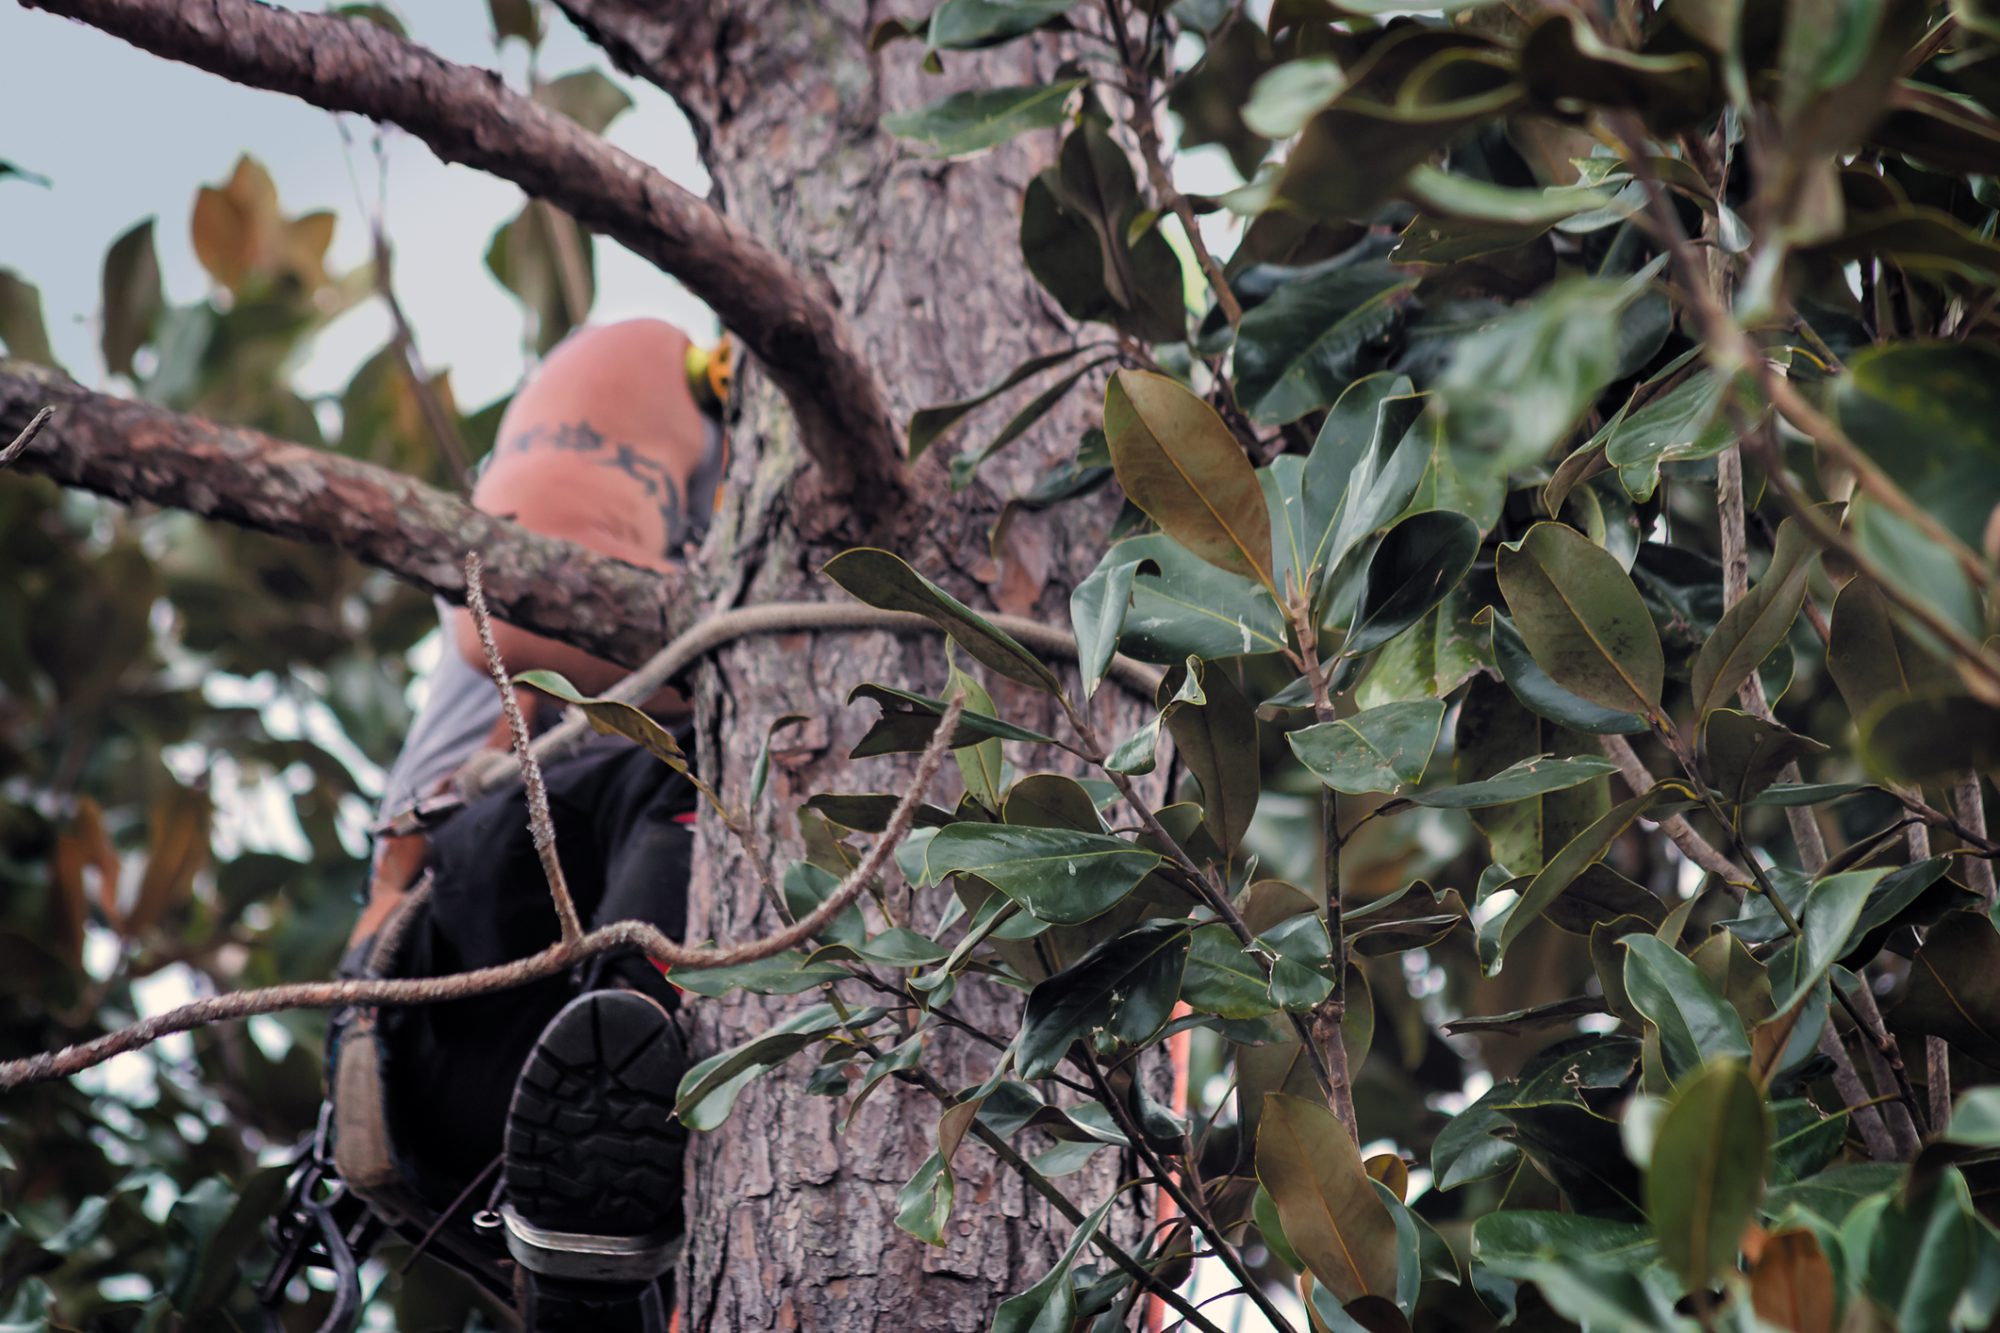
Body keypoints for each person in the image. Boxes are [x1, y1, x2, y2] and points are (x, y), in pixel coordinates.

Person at [317, 320, 729, 1333]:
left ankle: (601, 1255)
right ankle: (598, 1162)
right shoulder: (667, 379)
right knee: (709, 779)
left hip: (645, 1126)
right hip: (478, 984)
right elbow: (511, 613)